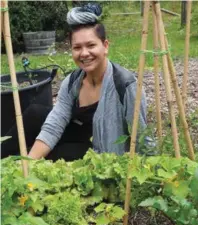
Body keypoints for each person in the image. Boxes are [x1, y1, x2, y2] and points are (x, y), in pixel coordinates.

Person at [26, 3, 148, 161]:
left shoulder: (125, 85)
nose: (84, 53)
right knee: (34, 113)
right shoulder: (72, 81)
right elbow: (55, 123)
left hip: (103, 150)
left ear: (105, 46)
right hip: (78, 133)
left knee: (59, 154)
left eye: (91, 45)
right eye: (77, 47)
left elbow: (141, 137)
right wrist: (27, 163)